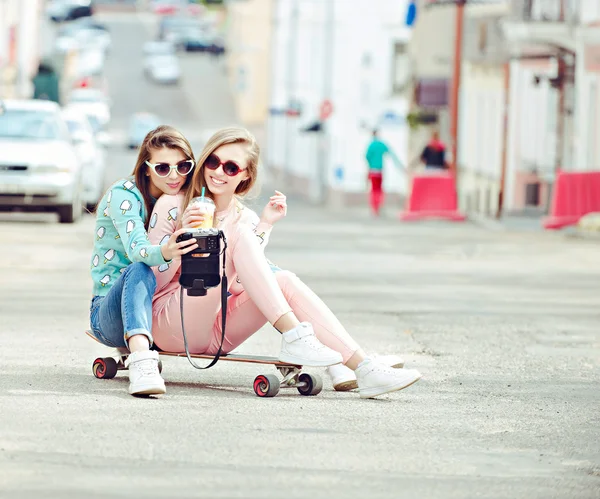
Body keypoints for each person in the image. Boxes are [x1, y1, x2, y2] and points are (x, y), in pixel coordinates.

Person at [148, 127, 422, 399]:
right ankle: (296, 336)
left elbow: (244, 286)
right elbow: (153, 279)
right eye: (213, 161)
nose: (219, 172)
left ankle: (364, 368)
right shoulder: (174, 204)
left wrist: (265, 225)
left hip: (218, 332)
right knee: (237, 243)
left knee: (284, 280)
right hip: (173, 323)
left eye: (231, 167)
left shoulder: (246, 220)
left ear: (245, 176)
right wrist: (178, 239)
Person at [88, 126, 201, 396]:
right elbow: (139, 250)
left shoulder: (184, 199)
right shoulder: (124, 196)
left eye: (183, 166)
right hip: (109, 313)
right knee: (138, 268)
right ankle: (141, 362)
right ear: (146, 168)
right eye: (163, 168)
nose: (174, 176)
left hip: (155, 305)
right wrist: (167, 250)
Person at [365, 129, 402, 217]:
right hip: (380, 170)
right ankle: (379, 206)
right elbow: (391, 153)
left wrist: (369, 168)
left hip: (373, 171)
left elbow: (367, 157)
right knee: (379, 189)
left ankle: (374, 208)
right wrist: (399, 166)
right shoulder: (381, 144)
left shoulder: (371, 145)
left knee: (373, 189)